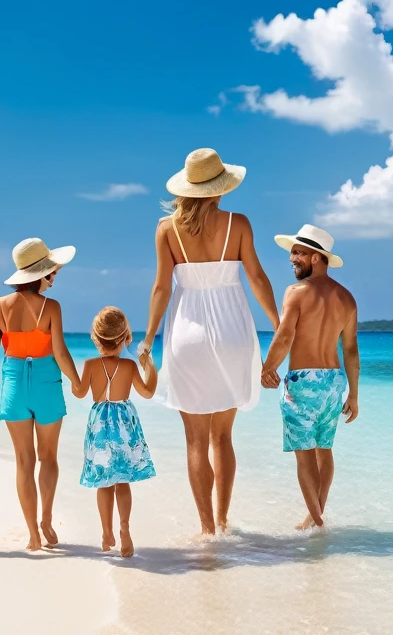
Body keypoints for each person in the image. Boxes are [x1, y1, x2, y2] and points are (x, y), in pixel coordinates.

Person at [140, 148, 280, 536]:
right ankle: (222, 518)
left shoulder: (166, 229)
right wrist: (278, 324)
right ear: (220, 188)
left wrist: (148, 338)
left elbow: (160, 288)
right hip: (234, 331)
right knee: (223, 436)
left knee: (195, 441)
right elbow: (256, 278)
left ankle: (207, 531)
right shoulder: (238, 223)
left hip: (188, 335)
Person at [0, 238, 81, 550]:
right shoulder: (51, 307)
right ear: (41, 274)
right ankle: (46, 518)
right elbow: (59, 350)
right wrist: (77, 381)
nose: (55, 276)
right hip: (46, 383)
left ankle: (33, 533)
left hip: (15, 384)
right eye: (53, 271)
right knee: (48, 457)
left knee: (23, 461)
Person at [260, 224, 361, 530]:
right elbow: (351, 351)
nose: (292, 258)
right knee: (324, 450)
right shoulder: (347, 298)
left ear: (317, 258)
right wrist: (353, 394)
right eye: (293, 252)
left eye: (299, 253)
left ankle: (317, 522)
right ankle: (315, 516)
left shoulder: (297, 292)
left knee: (305, 458)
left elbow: (285, 334)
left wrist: (268, 368)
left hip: (303, 382)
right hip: (333, 382)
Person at [72, 307, 158, 558]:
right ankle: (125, 529)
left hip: (99, 426)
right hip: (124, 426)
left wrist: (69, 376)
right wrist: (149, 366)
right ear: (124, 339)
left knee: (103, 482)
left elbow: (79, 392)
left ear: (96, 338)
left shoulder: (89, 365)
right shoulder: (129, 366)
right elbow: (148, 392)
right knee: (122, 481)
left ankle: (106, 532)